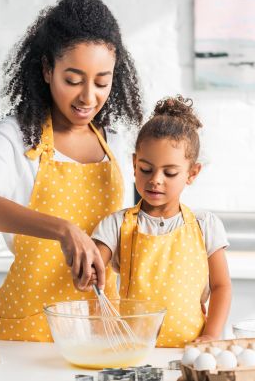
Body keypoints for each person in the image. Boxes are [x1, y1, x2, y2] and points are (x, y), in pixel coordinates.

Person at [0, 0, 143, 342]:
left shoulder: (116, 145)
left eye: (102, 82)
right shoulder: (17, 135)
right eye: (73, 80)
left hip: (100, 324)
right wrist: (63, 230)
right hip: (29, 328)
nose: (88, 97)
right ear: (47, 69)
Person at [89, 95, 232, 347]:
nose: (156, 179)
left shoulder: (205, 226)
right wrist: (89, 270)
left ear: (192, 173)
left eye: (170, 172)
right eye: (146, 169)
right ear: (134, 164)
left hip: (189, 353)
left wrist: (210, 335)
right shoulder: (116, 225)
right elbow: (95, 267)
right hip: (132, 351)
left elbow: (221, 287)